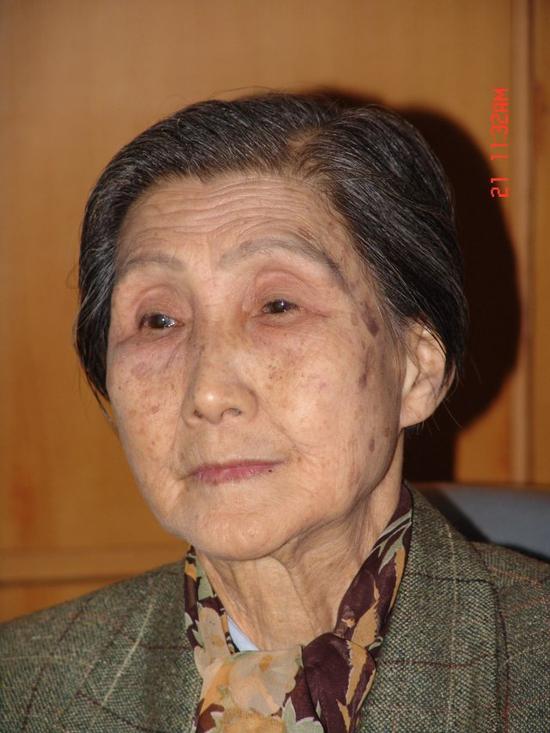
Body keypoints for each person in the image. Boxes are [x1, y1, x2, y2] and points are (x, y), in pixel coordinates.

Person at [1, 93, 548, 733]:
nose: (208, 393)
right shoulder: (24, 689)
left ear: (415, 371)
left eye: (278, 306)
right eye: (159, 320)